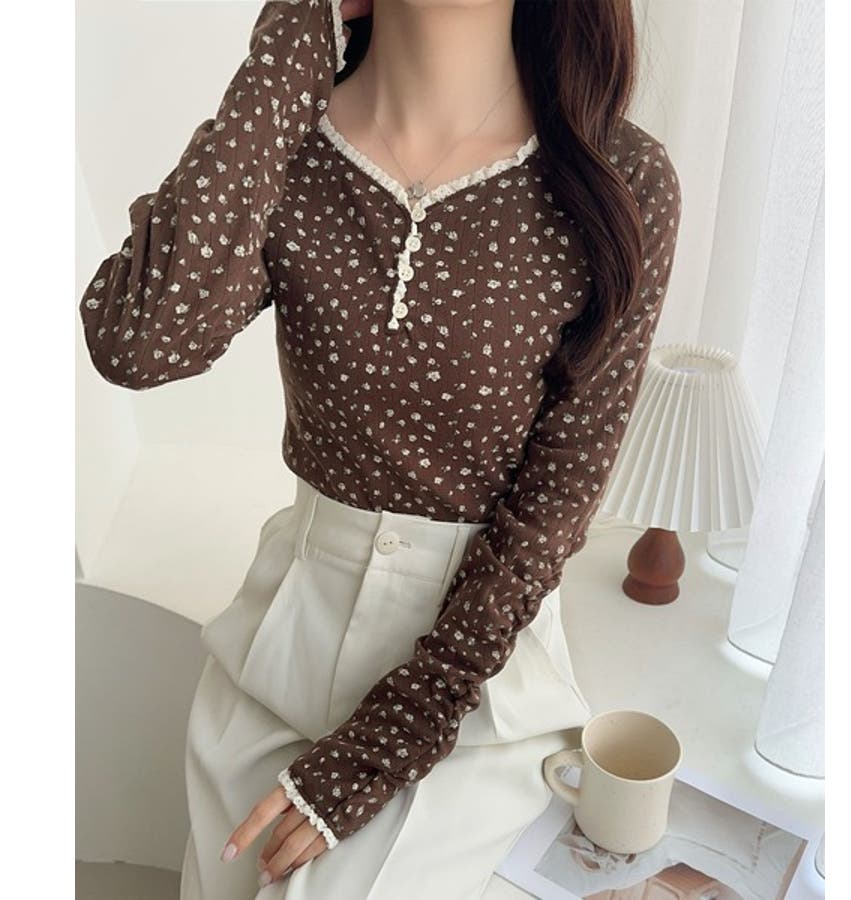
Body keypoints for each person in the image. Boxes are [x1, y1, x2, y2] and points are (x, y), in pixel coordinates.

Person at [78, 0, 683, 897]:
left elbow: (559, 496)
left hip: (473, 670)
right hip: (282, 640)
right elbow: (138, 340)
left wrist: (390, 740)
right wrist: (295, 39)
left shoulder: (618, 177)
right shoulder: (286, 134)